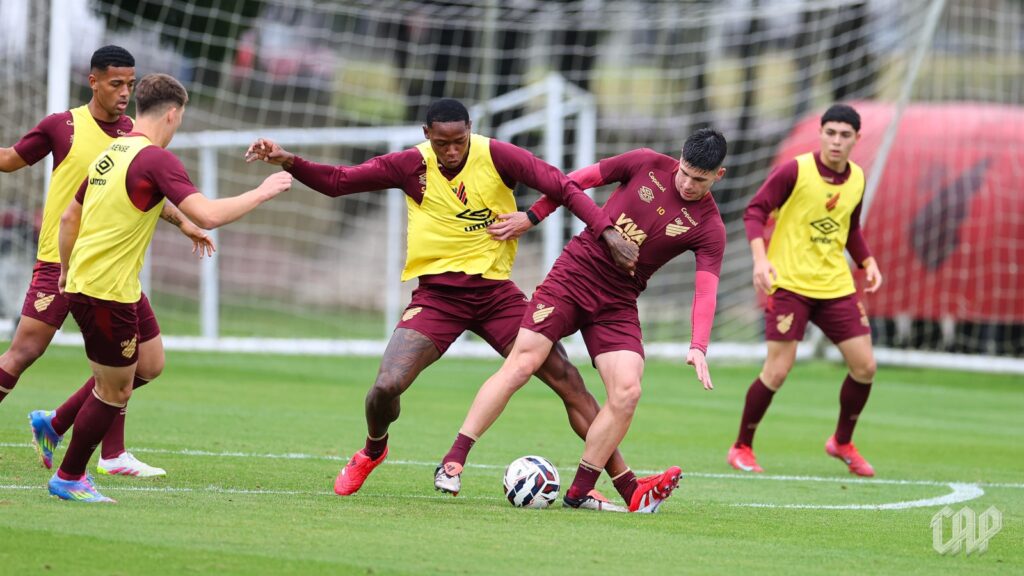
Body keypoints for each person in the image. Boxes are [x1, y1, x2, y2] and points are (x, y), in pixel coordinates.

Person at [245, 98, 647, 500]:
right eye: (442, 143)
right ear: (427, 136)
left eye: (459, 141)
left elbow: (563, 186)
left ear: (470, 130)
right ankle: (373, 449)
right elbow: (338, 182)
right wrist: (288, 160)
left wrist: (606, 232)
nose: (452, 151)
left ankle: (625, 485)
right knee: (386, 386)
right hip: (437, 297)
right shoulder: (411, 165)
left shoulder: (499, 156)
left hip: (496, 296)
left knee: (569, 381)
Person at [434, 128, 728, 513]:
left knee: (627, 392)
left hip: (619, 301)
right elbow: (574, 182)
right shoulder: (644, 162)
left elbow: (705, 290)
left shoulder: (710, 227)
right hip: (573, 276)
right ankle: (454, 460)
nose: (688, 184)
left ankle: (580, 489)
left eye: (700, 180)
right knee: (523, 363)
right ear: (679, 159)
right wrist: (532, 215)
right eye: (685, 173)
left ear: (718, 176)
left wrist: (698, 346)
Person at [44, 73, 292, 503]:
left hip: (103, 282)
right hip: (106, 291)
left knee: (150, 362)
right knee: (114, 389)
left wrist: (65, 271)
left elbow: (70, 217)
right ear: (173, 113)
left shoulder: (112, 152)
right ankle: (69, 476)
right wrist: (263, 191)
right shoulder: (156, 159)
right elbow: (210, 213)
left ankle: (54, 422)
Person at [0, 45, 198, 477]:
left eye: (130, 84)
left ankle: (102, 449)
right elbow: (10, 161)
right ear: (93, 82)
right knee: (22, 353)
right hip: (59, 262)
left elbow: (143, 195)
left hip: (109, 271)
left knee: (145, 365)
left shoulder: (135, 135)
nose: (125, 92)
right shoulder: (63, 126)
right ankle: (65, 434)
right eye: (116, 84)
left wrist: (184, 223)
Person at [727, 103, 882, 477]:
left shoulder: (858, 178)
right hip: (790, 286)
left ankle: (842, 442)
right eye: (830, 132)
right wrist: (760, 260)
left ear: (856, 139)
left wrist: (867, 261)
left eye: (845, 135)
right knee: (778, 370)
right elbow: (754, 211)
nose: (836, 141)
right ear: (821, 134)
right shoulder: (796, 170)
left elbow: (850, 227)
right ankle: (742, 446)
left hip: (835, 286)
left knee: (865, 367)